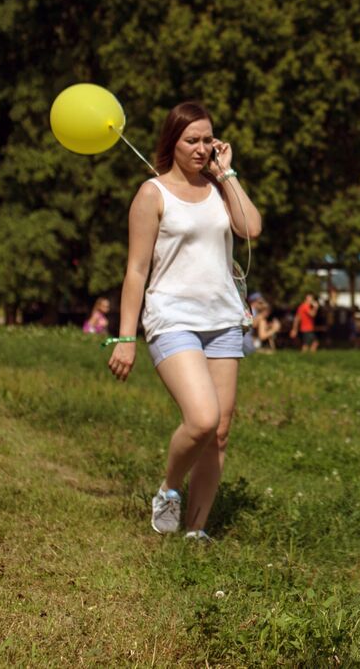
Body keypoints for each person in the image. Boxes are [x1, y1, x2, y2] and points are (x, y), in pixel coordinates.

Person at [106, 100, 263, 540]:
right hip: (172, 318)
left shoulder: (218, 188)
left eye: (207, 140)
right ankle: (169, 490)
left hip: (223, 318)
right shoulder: (152, 194)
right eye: (191, 140)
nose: (201, 148)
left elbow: (250, 228)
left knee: (221, 431)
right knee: (201, 418)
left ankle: (195, 531)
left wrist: (227, 173)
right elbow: (136, 270)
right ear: (171, 143)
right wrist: (124, 337)